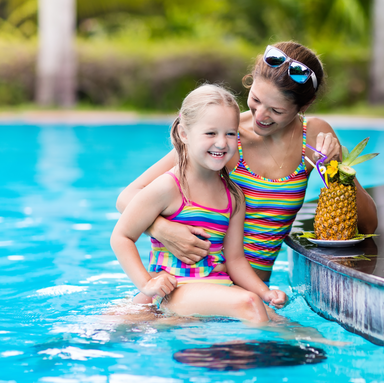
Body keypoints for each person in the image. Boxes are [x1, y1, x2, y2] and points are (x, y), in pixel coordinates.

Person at [117, 41, 378, 283]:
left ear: (304, 106)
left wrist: (336, 172)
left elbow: (368, 225)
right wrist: (163, 230)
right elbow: (128, 196)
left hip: (255, 289)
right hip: (200, 281)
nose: (261, 116)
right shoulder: (225, 137)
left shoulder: (313, 136)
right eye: (255, 100)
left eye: (276, 111)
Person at [110, 84, 287, 323]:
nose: (222, 143)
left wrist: (265, 292)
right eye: (211, 133)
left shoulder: (233, 196)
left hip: (218, 285)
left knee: (276, 318)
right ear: (184, 134)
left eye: (230, 133)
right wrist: (148, 284)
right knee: (250, 304)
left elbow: (234, 260)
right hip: (176, 289)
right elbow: (121, 237)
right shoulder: (168, 187)